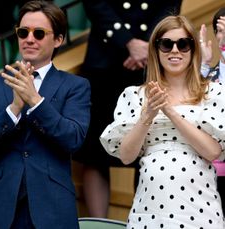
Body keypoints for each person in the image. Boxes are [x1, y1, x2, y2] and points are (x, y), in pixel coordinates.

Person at [100, 15, 225, 228]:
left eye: (183, 44)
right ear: (156, 51)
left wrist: (170, 112)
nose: (174, 50)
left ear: (193, 50)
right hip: (148, 209)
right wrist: (147, 116)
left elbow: (213, 151)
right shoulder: (135, 95)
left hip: (201, 209)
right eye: (166, 44)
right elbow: (126, 156)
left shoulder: (213, 93)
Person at [73, 0, 183, 217]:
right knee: (95, 153)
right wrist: (127, 42)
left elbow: (169, 7)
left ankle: (143, 220)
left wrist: (147, 45)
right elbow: (96, 4)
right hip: (104, 60)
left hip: (151, 61)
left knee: (148, 148)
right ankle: (99, 224)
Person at [0, 1, 91, 228]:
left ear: (58, 39)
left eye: (39, 33)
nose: (29, 39)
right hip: (1, 205)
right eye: (23, 32)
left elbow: (73, 139)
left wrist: (36, 101)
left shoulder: (75, 85)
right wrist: (14, 109)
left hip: (53, 206)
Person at [199, 7, 225, 215]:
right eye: (220, 30)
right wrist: (202, 66)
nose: (223, 36)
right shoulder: (206, 74)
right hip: (208, 175)